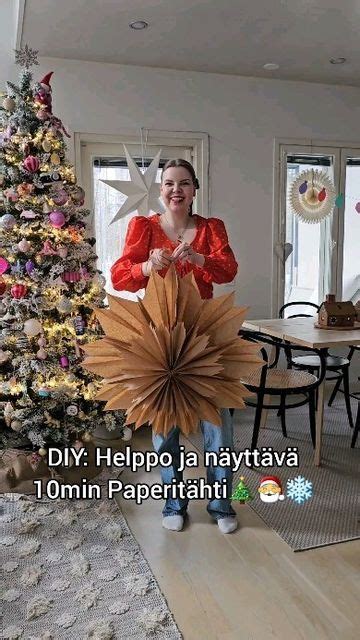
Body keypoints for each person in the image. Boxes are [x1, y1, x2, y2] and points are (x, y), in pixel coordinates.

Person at [111, 159, 239, 534]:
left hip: (204, 335)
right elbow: (120, 276)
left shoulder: (211, 228)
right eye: (169, 183)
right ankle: (173, 503)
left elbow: (228, 270)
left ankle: (221, 504)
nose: (176, 190)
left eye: (184, 183)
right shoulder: (144, 227)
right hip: (159, 339)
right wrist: (147, 267)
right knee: (164, 428)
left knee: (218, 424)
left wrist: (199, 257)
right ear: (160, 190)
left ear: (195, 189)